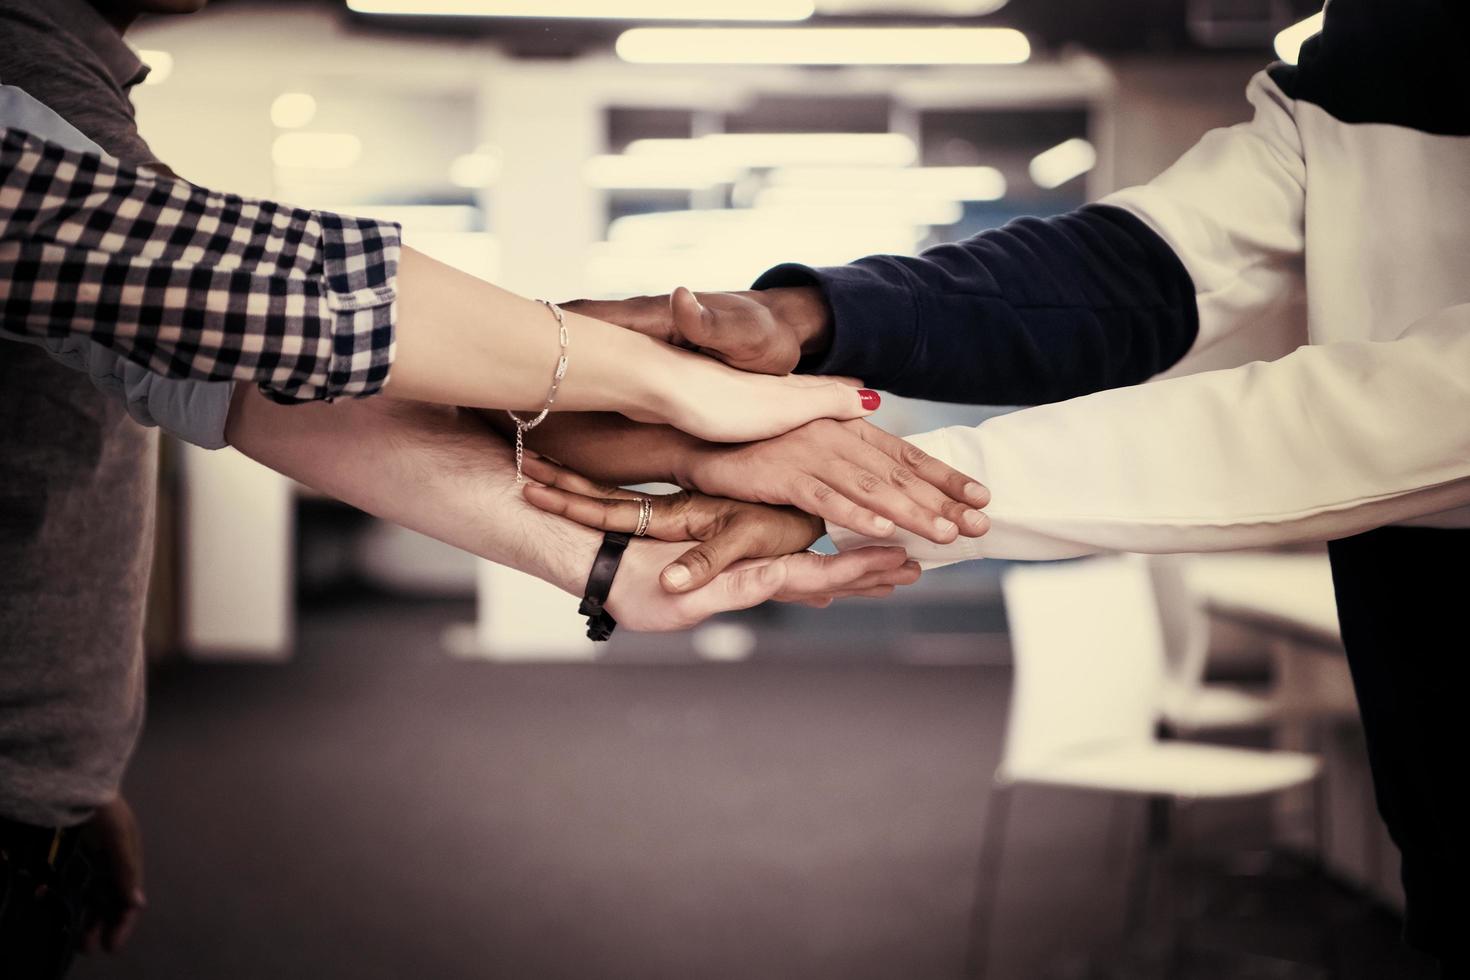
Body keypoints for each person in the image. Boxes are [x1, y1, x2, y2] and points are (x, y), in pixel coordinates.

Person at [0, 2, 987, 976]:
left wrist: (607, 559)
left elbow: (218, 370)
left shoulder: (74, 91)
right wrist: (672, 385)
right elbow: (229, 283)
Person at [553, 0, 1469, 969]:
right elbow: (1139, 272)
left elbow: (1388, 419)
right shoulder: (1369, 54)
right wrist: (817, 315)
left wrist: (861, 485)